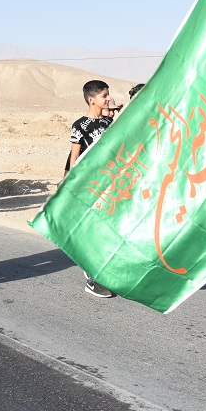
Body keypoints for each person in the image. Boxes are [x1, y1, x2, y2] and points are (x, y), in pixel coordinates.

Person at [67, 80, 117, 298]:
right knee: (92, 231)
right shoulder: (80, 125)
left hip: (109, 185)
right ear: (91, 99)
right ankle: (91, 279)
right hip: (89, 186)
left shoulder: (108, 123)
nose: (108, 98)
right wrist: (71, 185)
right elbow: (74, 158)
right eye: (104, 95)